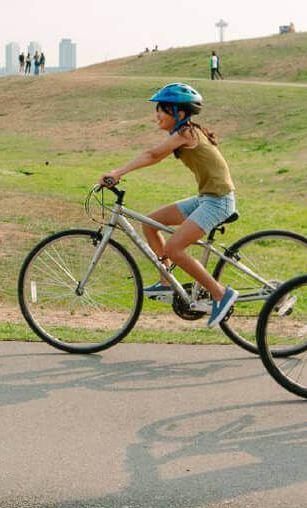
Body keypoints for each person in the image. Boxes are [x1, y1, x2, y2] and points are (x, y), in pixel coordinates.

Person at [99, 83, 239, 330]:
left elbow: (153, 155)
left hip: (218, 201)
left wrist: (117, 172)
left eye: (161, 110)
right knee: (150, 223)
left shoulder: (187, 134)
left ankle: (220, 294)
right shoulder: (186, 132)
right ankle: (166, 282)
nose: (157, 115)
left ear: (179, 113)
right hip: (207, 197)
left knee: (174, 248)